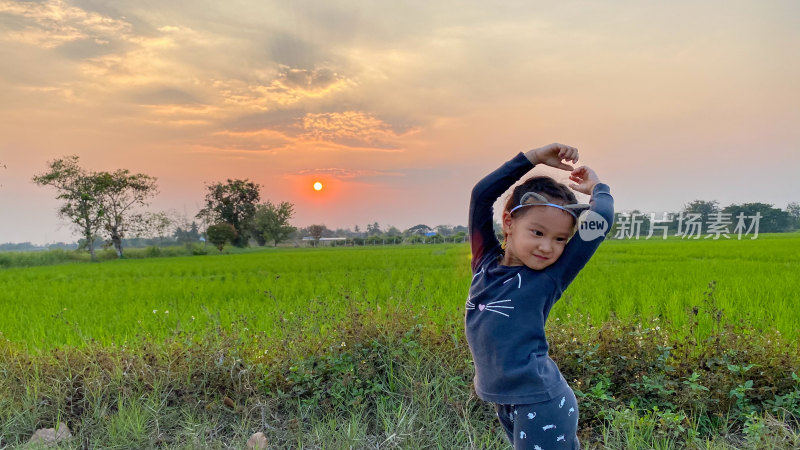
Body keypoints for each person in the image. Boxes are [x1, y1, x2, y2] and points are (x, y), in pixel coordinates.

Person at [465, 143, 614, 449]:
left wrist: (598, 187)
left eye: (560, 239)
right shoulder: (484, 262)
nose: (548, 247)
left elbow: (601, 221)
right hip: (508, 402)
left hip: (540, 402)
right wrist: (530, 159)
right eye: (537, 232)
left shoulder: (548, 277)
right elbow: (481, 197)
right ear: (509, 223)